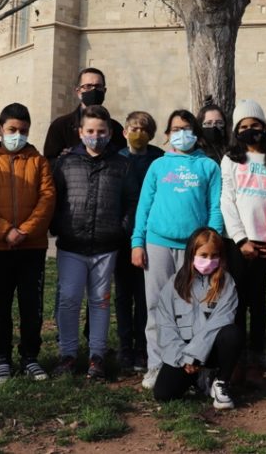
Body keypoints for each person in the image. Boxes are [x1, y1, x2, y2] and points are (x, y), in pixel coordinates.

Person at [132, 109, 224, 389]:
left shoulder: (208, 166)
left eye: (187, 129)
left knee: (196, 308)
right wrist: (137, 242)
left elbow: (215, 207)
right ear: (167, 134)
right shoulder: (158, 166)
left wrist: (213, 244)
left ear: (196, 133)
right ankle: (157, 365)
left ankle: (195, 368)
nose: (181, 134)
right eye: (175, 129)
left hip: (195, 248)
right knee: (156, 306)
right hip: (158, 243)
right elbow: (144, 206)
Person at [0, 102, 56, 383]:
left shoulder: (39, 162)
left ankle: (30, 356)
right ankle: (1, 358)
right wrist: (5, 231)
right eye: (12, 129)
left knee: (32, 307)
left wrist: (25, 231)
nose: (17, 135)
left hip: (32, 246)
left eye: (23, 130)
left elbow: (47, 199)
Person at [51, 104, 136, 380]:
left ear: (110, 133)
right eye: (90, 131)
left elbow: (131, 202)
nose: (95, 136)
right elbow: (55, 198)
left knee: (100, 301)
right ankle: (67, 354)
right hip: (71, 244)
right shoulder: (66, 163)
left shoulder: (122, 165)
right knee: (69, 299)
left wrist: (120, 230)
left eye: (101, 131)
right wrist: (59, 226)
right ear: (80, 132)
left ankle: (97, 355)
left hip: (106, 245)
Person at [220, 99, 266, 384]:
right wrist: (240, 239)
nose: (250, 130)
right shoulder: (231, 160)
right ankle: (236, 358)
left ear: (264, 127)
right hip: (238, 242)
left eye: (255, 125)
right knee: (236, 301)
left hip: (265, 242)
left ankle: (257, 359)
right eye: (243, 126)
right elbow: (227, 200)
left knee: (258, 302)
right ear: (237, 131)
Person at [152, 228, 240, 410]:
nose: (209, 260)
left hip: (208, 351)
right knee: (163, 393)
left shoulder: (226, 282)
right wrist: (183, 358)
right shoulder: (174, 283)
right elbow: (165, 325)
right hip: (184, 355)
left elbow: (220, 321)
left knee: (232, 333)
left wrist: (195, 356)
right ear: (192, 254)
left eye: (214, 255)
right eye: (203, 255)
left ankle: (220, 381)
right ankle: (198, 379)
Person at [115, 111, 164, 374]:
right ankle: (125, 347)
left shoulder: (159, 159)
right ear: (125, 132)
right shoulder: (117, 159)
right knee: (123, 295)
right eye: (133, 128)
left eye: (144, 129)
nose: (138, 133)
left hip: (150, 235)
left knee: (145, 295)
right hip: (122, 236)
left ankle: (143, 347)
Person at [43, 67, 125, 160]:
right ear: (78, 92)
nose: (93, 90)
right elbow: (50, 161)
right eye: (88, 86)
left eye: (98, 86)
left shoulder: (116, 128)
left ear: (104, 91)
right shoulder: (60, 126)